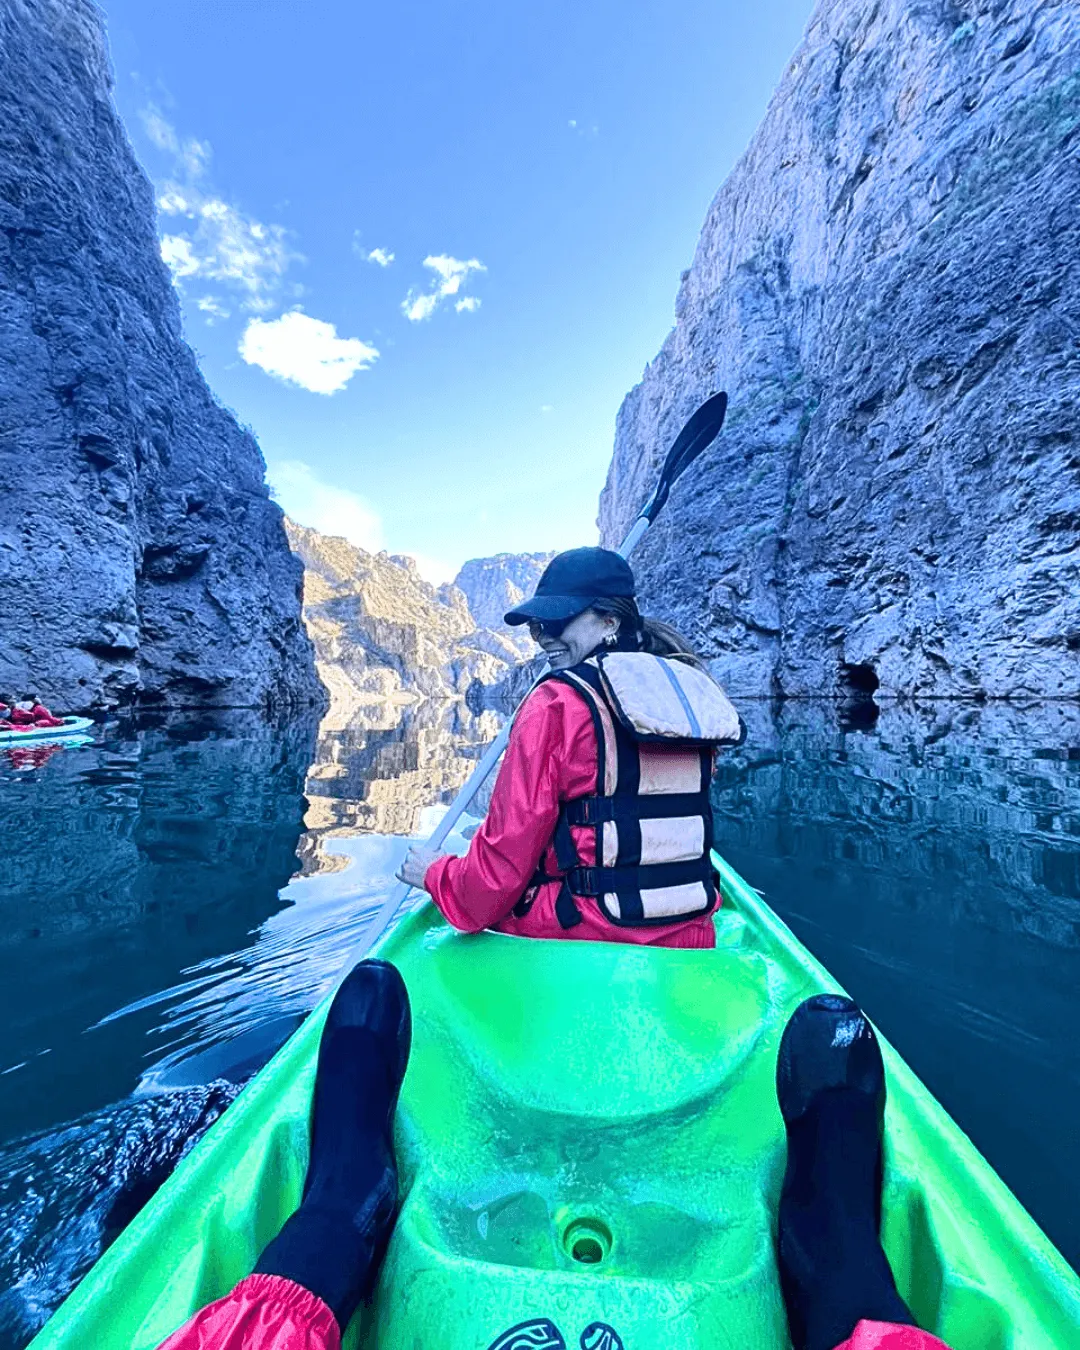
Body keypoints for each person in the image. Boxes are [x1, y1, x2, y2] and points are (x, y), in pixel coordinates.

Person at [155, 965, 951, 1350]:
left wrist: (442, 882)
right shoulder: (677, 727)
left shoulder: (552, 721)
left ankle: (343, 1205)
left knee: (322, 1229)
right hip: (675, 930)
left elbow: (496, 868)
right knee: (851, 1274)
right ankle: (834, 1250)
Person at [397, 547, 742, 949]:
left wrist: (435, 873)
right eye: (536, 627)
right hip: (692, 929)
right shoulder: (687, 690)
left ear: (609, 620)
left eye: (556, 621)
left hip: (590, 929)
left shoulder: (555, 703)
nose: (544, 637)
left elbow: (486, 893)